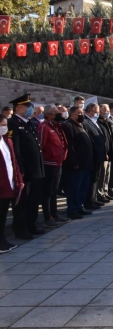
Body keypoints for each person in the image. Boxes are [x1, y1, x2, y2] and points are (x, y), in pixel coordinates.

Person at [8, 93, 45, 239]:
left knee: (34, 199)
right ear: (18, 108)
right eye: (28, 106)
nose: (31, 108)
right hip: (25, 170)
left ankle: (31, 224)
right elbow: (15, 149)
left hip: (35, 169)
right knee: (23, 201)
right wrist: (20, 170)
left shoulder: (28, 122)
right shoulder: (13, 123)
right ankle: (21, 229)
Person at [38, 105, 69, 227]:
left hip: (58, 162)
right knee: (48, 191)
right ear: (49, 114)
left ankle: (54, 213)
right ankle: (48, 216)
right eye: (56, 113)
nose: (59, 114)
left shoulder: (56, 126)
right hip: (49, 163)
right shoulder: (44, 126)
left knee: (54, 190)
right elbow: (41, 145)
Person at [61, 106, 95, 219]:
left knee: (83, 187)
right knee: (74, 188)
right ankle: (72, 209)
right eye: (79, 113)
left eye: (82, 113)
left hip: (86, 163)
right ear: (72, 114)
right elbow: (70, 145)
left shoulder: (81, 124)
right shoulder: (68, 125)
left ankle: (80, 206)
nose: (82, 115)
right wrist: (74, 161)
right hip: (76, 164)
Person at [0, 114, 24, 253]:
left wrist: (18, 179)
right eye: (2, 125)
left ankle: (2, 239)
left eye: (5, 125)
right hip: (1, 185)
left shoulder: (7, 141)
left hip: (9, 184)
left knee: (3, 214)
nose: (4, 128)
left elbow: (13, 162)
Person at [81, 103, 106, 211]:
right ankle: (88, 201)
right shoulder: (85, 122)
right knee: (91, 180)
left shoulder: (94, 121)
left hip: (99, 155)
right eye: (96, 112)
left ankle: (94, 198)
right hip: (93, 156)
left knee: (96, 178)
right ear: (89, 111)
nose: (97, 114)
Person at [96, 104, 113, 203]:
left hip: (109, 152)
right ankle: (100, 193)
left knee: (107, 174)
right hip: (104, 153)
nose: (107, 113)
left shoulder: (107, 121)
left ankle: (105, 191)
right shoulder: (98, 122)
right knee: (102, 175)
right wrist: (105, 151)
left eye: (108, 111)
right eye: (105, 111)